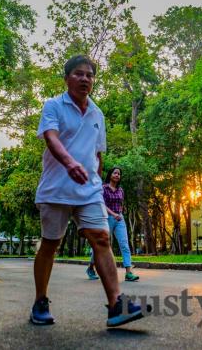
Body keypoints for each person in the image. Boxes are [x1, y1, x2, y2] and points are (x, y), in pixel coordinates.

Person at [30, 54, 149, 328]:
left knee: (102, 240)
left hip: (89, 191)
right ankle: (40, 301)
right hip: (56, 189)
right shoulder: (53, 106)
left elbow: (98, 154)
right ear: (67, 78)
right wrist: (70, 163)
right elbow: (51, 137)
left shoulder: (98, 114)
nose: (85, 79)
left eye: (90, 75)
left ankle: (116, 305)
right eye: (79, 74)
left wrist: (96, 179)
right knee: (51, 245)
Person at [86, 167, 139, 282]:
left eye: (119, 174)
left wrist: (119, 213)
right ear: (110, 175)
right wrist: (113, 214)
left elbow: (121, 203)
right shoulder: (104, 188)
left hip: (119, 219)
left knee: (124, 244)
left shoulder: (121, 190)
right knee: (100, 245)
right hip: (106, 218)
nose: (117, 175)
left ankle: (128, 273)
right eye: (115, 173)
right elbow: (101, 204)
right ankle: (91, 267)